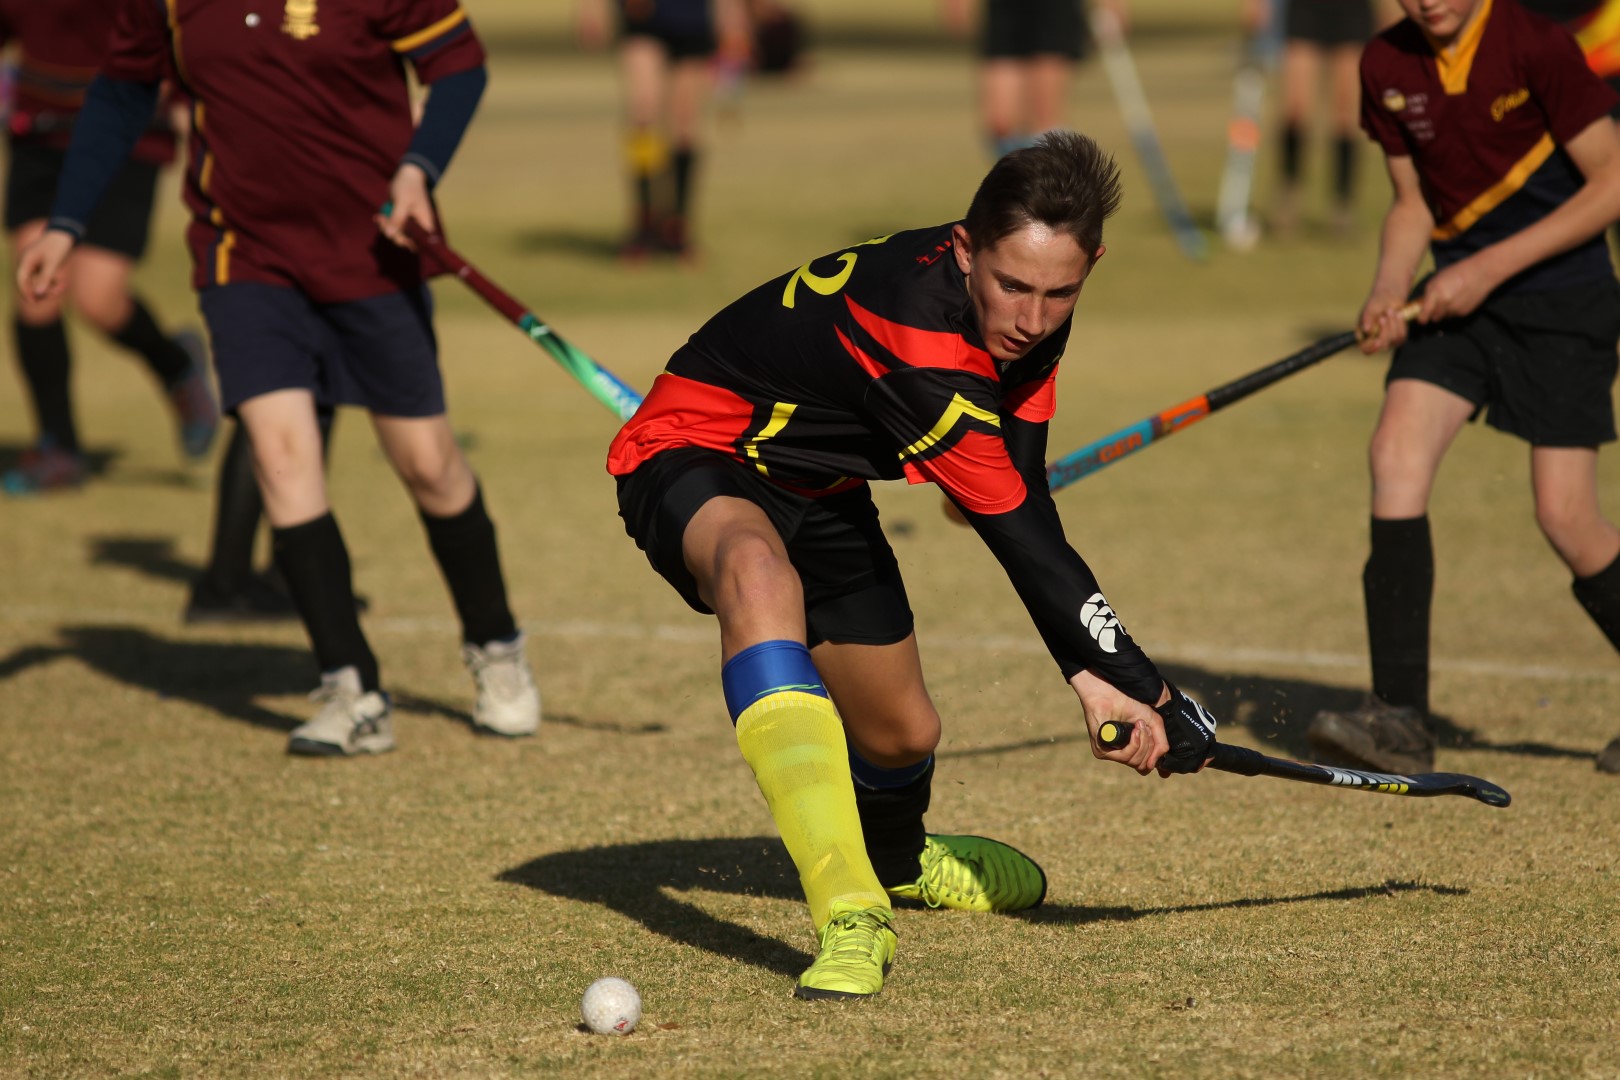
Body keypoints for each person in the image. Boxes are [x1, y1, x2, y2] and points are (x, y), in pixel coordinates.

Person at [605, 131, 1219, 1000]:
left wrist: (1095, 679)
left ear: (1091, 265)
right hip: (694, 452)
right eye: (1012, 287)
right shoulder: (916, 331)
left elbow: (1019, 501)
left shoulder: (1031, 309)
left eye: (1061, 293)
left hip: (819, 487)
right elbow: (1021, 537)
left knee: (903, 735)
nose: (1032, 318)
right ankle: (850, 910)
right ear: (966, 249)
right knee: (757, 574)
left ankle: (896, 863)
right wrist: (1147, 688)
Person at [19, 0, 541, 754]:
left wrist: (419, 169)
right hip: (245, 257)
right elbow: (123, 88)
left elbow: (458, 63)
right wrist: (67, 223)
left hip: (372, 253)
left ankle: (496, 648)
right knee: (279, 454)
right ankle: (351, 688)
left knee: (429, 465)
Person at [1306, 0, 1620, 776]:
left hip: (1563, 304)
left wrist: (1486, 268)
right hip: (1458, 306)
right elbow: (1413, 203)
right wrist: (1389, 289)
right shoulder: (1386, 63)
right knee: (1395, 455)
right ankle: (1399, 719)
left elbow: (1612, 183)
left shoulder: (1535, 46)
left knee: (1566, 516)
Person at [0, 0, 218, 495]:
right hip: (41, 134)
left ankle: (176, 367)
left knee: (97, 299)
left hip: (127, 130)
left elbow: (178, 26)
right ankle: (58, 446)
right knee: (36, 288)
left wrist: (188, 98)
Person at [577, 0, 751, 260]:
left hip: (692, 18)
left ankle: (677, 227)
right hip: (644, 16)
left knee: (685, 123)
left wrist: (733, 20)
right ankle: (644, 223)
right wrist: (591, 10)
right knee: (643, 112)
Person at [941, 0, 1127, 160]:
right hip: (1005, 7)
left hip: (1053, 8)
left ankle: (1050, 188)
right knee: (1000, 123)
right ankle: (1022, 185)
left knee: (1045, 121)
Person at [1261, 0, 1379, 237]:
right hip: (1305, 8)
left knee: (1345, 112)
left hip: (1352, 9)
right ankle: (1289, 195)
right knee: (1295, 108)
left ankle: (1342, 204)